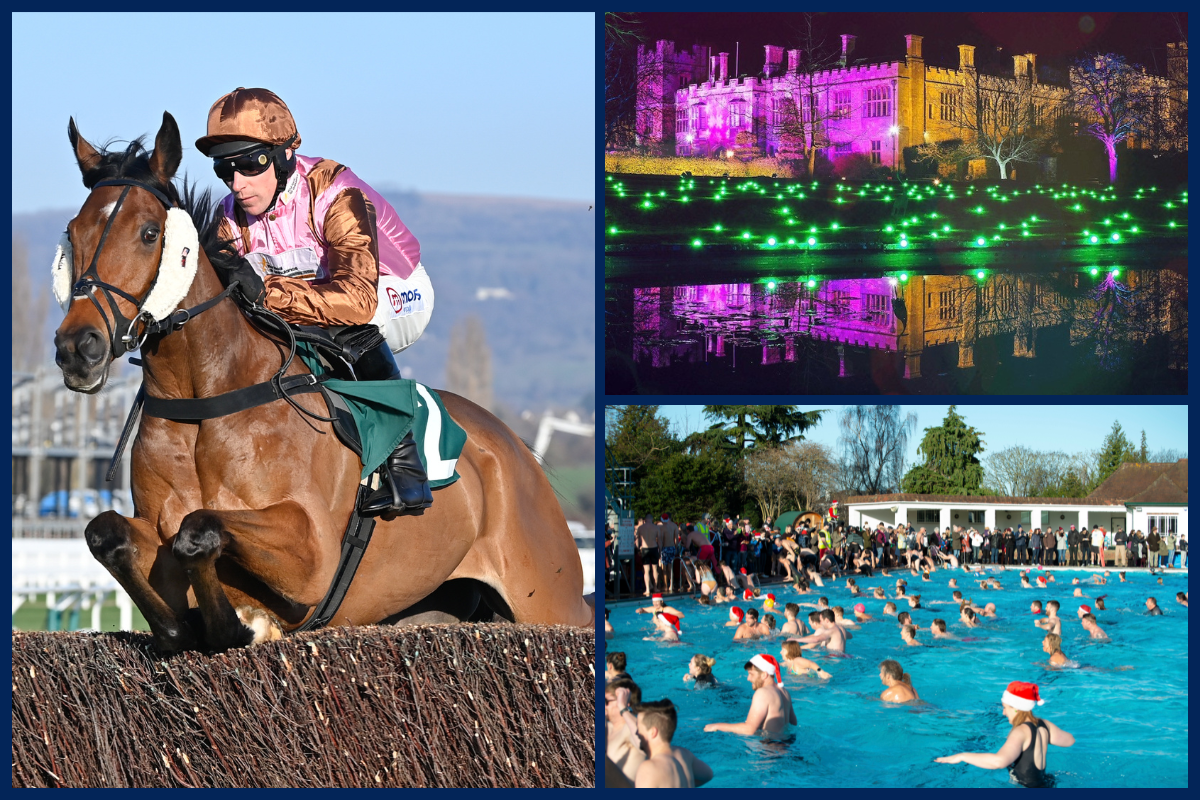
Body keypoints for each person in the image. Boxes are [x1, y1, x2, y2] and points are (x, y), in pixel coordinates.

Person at [198, 87, 435, 517]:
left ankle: (405, 466)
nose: (238, 183)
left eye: (250, 164)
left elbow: (357, 301)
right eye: (225, 169)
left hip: (392, 290)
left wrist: (267, 293)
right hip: (314, 300)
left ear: (285, 154)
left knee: (348, 329)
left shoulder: (336, 193)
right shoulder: (228, 218)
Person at [935, 681, 1075, 788]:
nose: (1003, 713)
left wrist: (962, 756)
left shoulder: (1020, 731)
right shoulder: (1043, 724)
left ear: (1015, 708)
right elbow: (1070, 740)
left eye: (1005, 708)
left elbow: (999, 762)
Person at [704, 655, 797, 736]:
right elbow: (793, 723)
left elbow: (749, 730)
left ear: (764, 675)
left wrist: (716, 726)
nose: (748, 678)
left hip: (769, 749)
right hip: (785, 746)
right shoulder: (784, 692)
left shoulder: (763, 693)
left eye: (751, 674)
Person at [633, 700, 714, 788]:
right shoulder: (685, 755)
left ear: (653, 732)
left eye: (638, 728)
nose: (636, 733)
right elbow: (708, 775)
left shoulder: (649, 769)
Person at [605, 678, 645, 783]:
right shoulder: (608, 727)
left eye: (606, 701)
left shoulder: (628, 729)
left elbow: (645, 744)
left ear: (626, 703)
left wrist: (623, 708)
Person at [636, 517, 664, 596]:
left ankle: (647, 589)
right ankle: (655, 587)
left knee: (646, 570)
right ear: (651, 519)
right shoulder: (656, 528)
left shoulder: (640, 528)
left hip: (645, 549)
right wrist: (660, 550)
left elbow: (637, 539)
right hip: (654, 548)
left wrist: (638, 549)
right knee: (655, 569)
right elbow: (659, 540)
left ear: (645, 520)